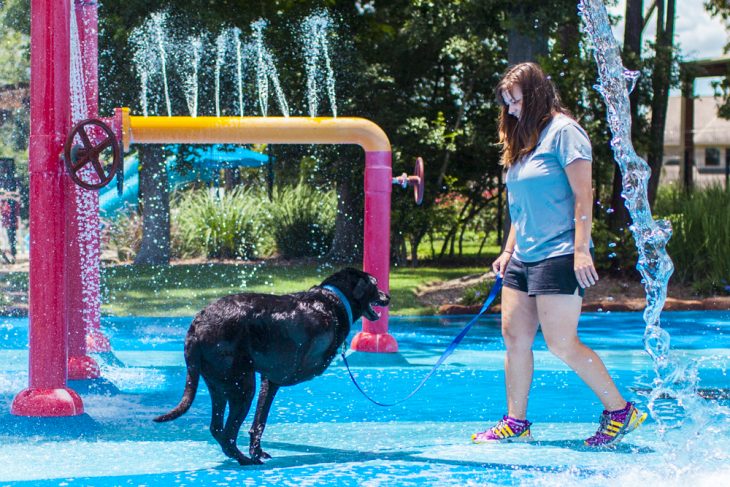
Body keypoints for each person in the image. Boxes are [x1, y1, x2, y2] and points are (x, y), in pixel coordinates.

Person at [471, 62, 646, 447]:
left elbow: (585, 196)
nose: (511, 109)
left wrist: (581, 250)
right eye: (507, 103)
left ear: (534, 96)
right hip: (523, 258)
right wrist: (508, 250)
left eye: (515, 101)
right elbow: (521, 205)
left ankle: (621, 410)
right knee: (514, 336)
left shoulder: (565, 133)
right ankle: (515, 421)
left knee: (560, 342)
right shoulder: (524, 140)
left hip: (560, 253)